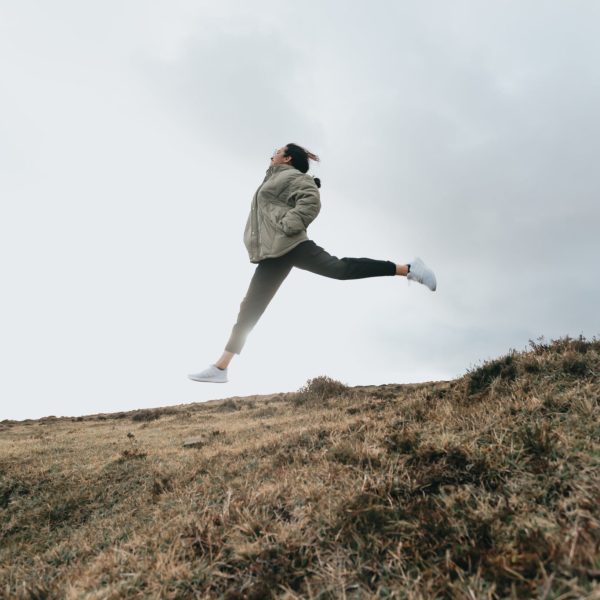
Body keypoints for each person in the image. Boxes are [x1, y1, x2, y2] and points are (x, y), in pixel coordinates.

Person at [188, 143, 436, 383]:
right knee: (250, 307)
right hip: (274, 253)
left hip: (291, 245)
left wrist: (290, 224)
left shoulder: (295, 177)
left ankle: (409, 269)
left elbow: (310, 199)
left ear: (287, 158)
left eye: (276, 152)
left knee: (339, 269)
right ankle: (221, 367)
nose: (271, 156)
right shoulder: (272, 179)